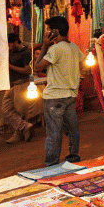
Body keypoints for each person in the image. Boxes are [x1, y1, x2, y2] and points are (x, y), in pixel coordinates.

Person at [34, 16, 82, 165]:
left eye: (49, 30)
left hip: (54, 97)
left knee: (54, 132)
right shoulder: (74, 47)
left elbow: (37, 66)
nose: (47, 33)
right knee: (72, 129)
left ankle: (51, 163)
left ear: (56, 31)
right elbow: (82, 64)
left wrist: (44, 47)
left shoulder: (55, 49)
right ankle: (73, 157)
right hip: (69, 95)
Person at [2, 33, 40, 144]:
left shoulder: (26, 53)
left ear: (15, 42)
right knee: (6, 110)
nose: (9, 47)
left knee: (20, 111)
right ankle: (24, 127)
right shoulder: (10, 52)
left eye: (9, 45)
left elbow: (27, 70)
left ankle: (19, 133)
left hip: (21, 84)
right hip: (10, 85)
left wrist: (9, 66)